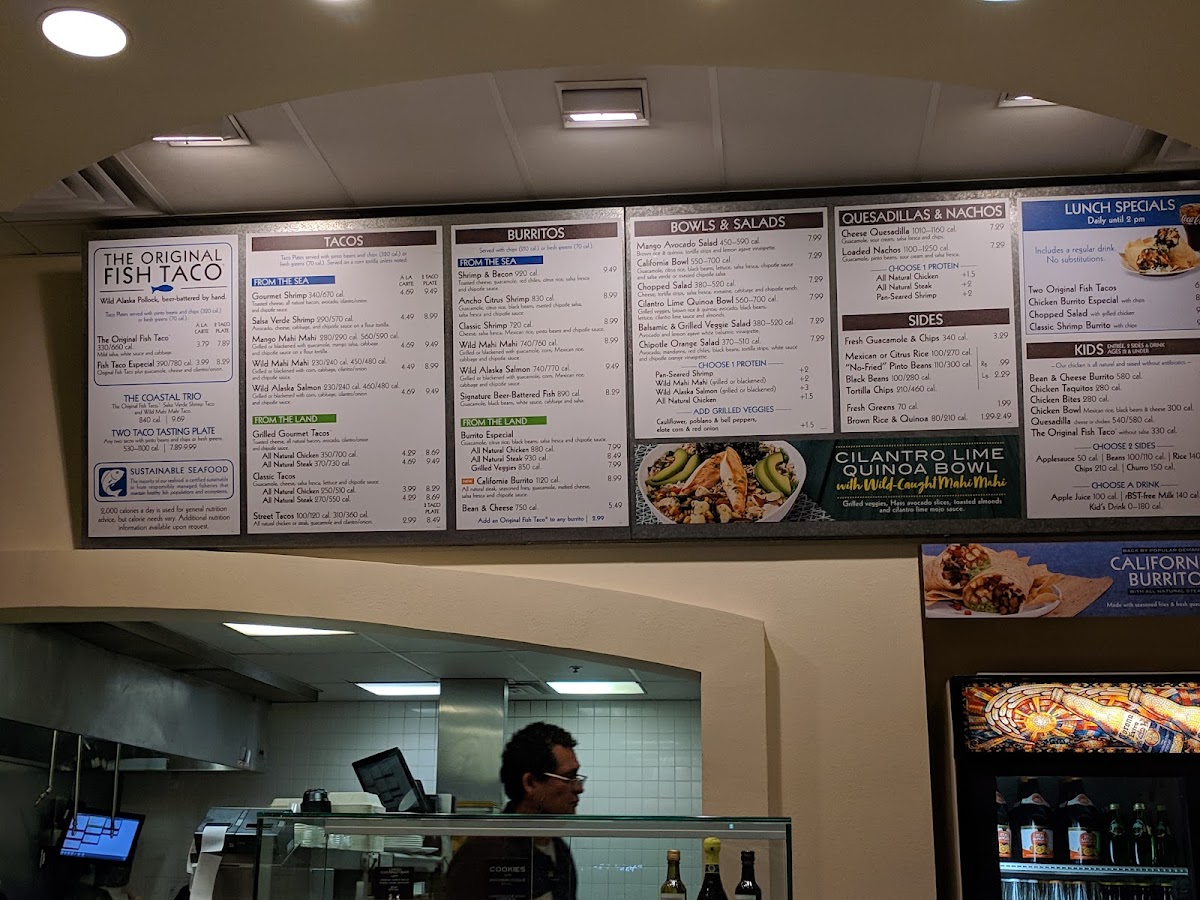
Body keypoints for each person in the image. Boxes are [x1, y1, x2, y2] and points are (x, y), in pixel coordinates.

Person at [442, 722, 584, 900]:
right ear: (530, 783)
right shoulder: (484, 853)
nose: (579, 788)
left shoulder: (559, 850)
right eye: (568, 777)